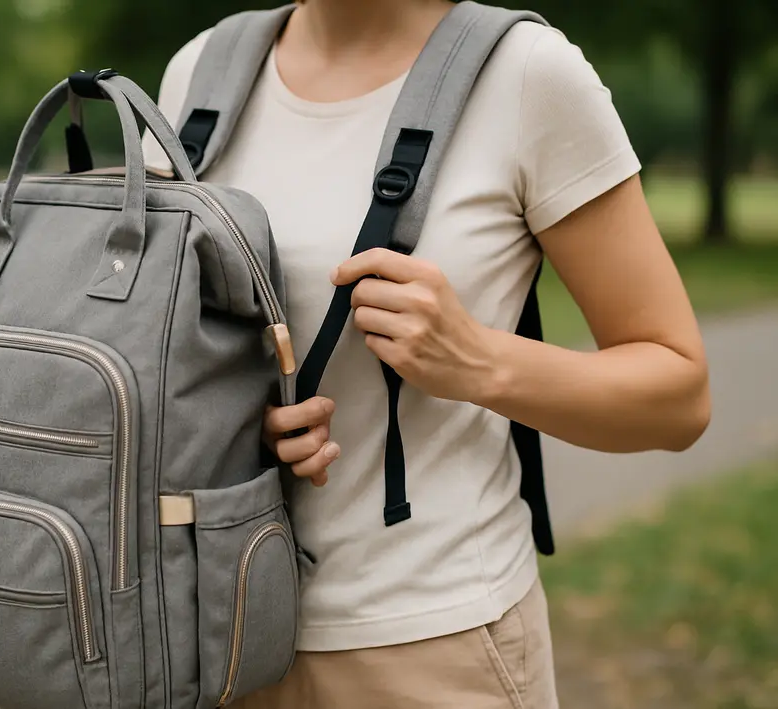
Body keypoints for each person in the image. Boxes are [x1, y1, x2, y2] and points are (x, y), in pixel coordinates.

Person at [143, 0, 711, 706]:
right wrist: (232, 416)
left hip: (433, 645)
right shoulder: (198, 73)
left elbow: (678, 394)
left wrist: (476, 359)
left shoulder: (526, 75)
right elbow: (165, 349)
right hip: (214, 639)